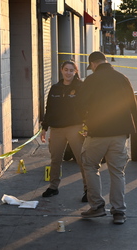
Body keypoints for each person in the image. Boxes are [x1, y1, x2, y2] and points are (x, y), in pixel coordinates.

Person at [78, 51, 137, 224]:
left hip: (97, 133)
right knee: (117, 172)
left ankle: (96, 207)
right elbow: (133, 106)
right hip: (119, 134)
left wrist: (86, 122)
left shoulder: (91, 80)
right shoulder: (122, 78)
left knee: (89, 165)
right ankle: (119, 212)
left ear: (94, 64)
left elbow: (80, 106)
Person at [40, 60, 88, 202]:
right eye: (66, 69)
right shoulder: (55, 88)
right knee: (55, 159)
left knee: (81, 159)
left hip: (75, 127)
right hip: (57, 129)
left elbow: (87, 107)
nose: (68, 73)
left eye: (71, 70)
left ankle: (88, 189)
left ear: (75, 72)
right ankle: (53, 187)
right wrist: (44, 127)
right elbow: (49, 109)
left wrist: (86, 125)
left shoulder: (81, 87)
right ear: (61, 70)